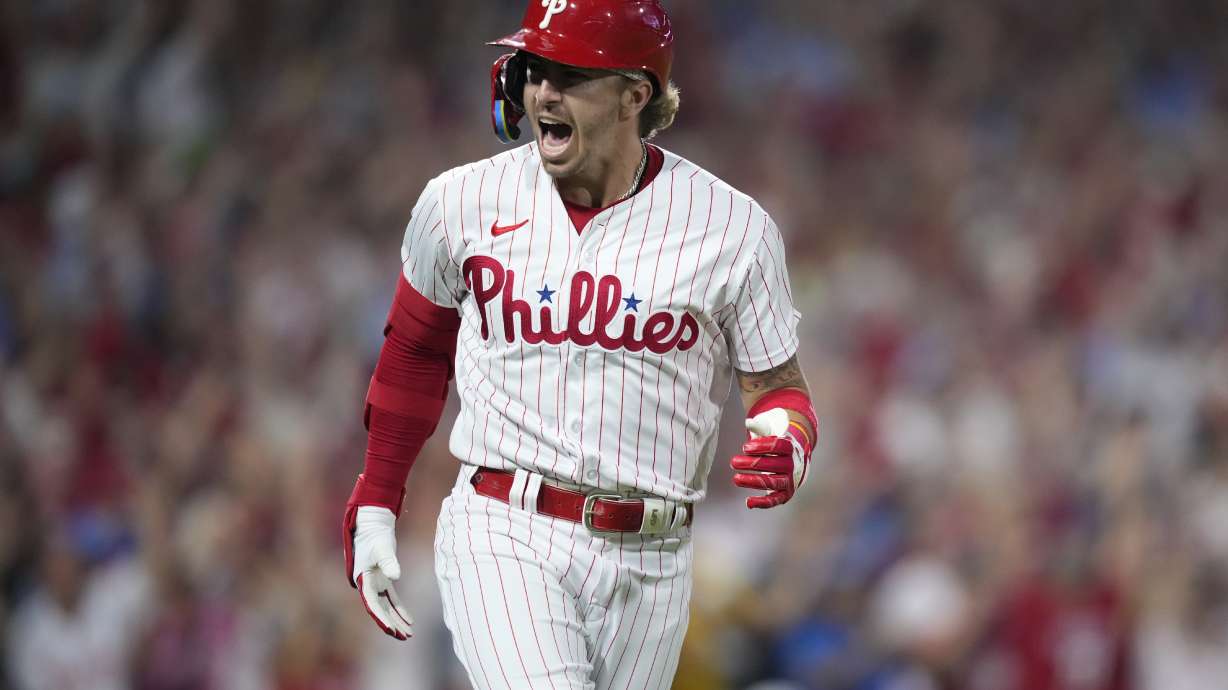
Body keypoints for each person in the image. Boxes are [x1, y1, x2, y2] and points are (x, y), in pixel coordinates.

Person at [341, 1, 818, 687]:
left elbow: (775, 387)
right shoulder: (460, 202)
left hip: (656, 556)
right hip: (505, 527)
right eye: (534, 68)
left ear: (635, 94)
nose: (542, 92)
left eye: (569, 74)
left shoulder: (732, 228)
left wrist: (789, 439)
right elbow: (415, 352)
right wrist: (380, 496)